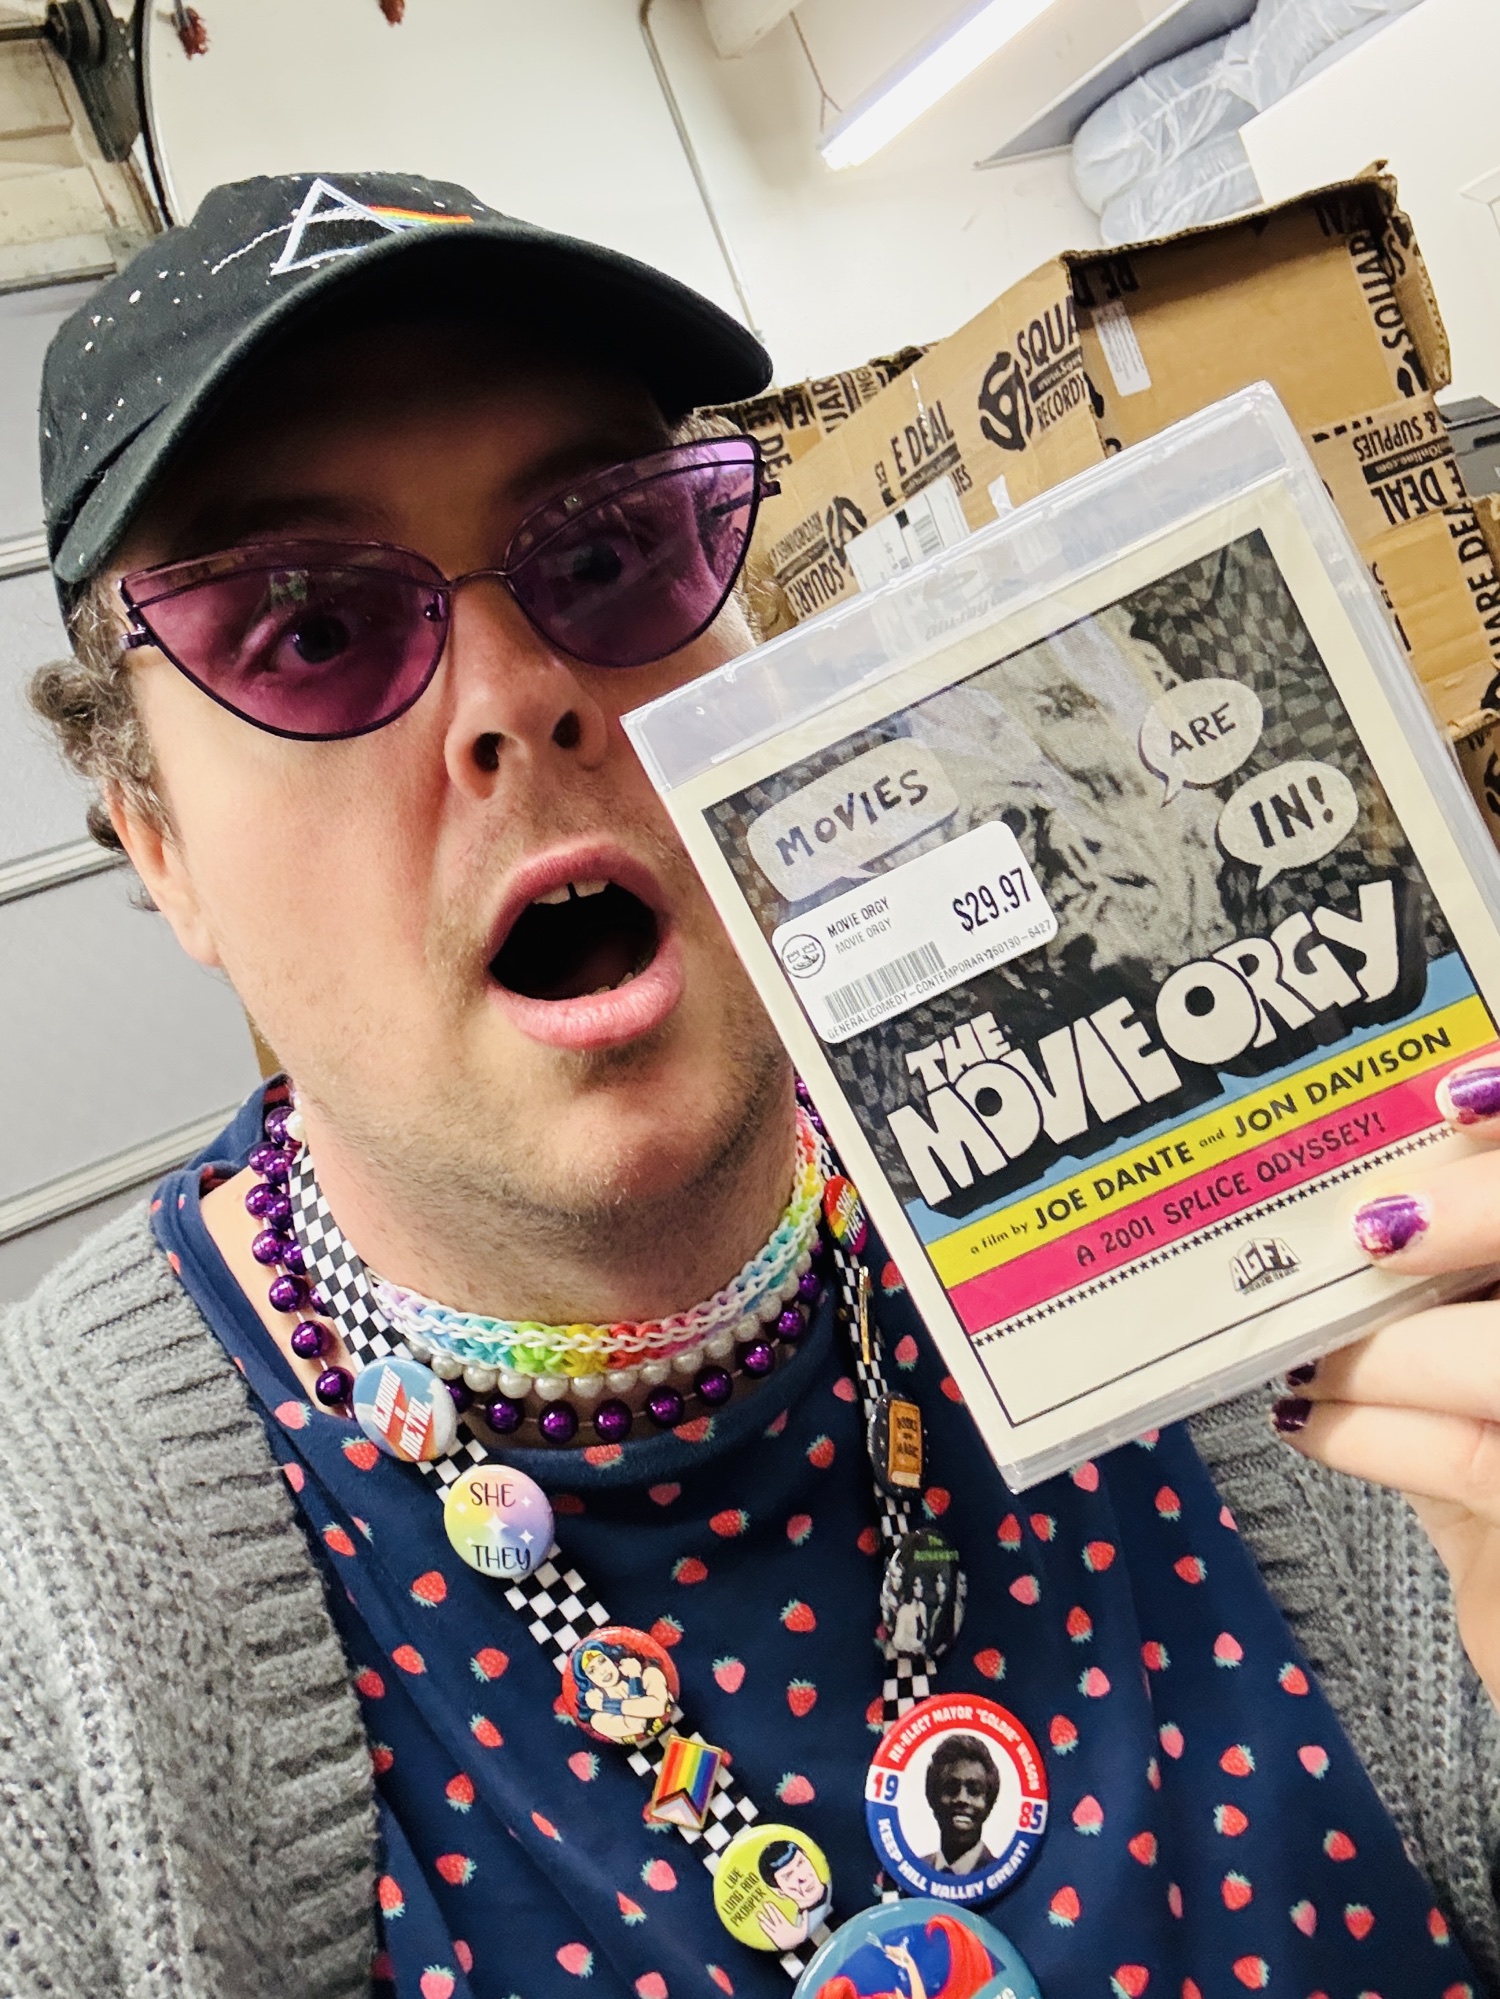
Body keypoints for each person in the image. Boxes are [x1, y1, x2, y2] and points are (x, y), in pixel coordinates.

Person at [7, 166, 1500, 1999]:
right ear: (157, 842)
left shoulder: (1235, 1198)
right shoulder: (49, 1606)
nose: (520, 697)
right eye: (311, 630)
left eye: (607, 553)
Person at [918, 1736, 1000, 1877]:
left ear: (989, 1803)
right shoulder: (915, 1870)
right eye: (951, 1788)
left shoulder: (999, 1872)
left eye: (974, 1791)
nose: (962, 1799)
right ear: (932, 1798)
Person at [756, 1836, 834, 1949]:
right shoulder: (797, 1930)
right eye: (788, 1875)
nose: (802, 1876)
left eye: (801, 1863)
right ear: (779, 1892)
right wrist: (799, 1943)